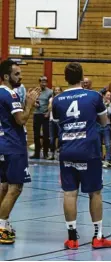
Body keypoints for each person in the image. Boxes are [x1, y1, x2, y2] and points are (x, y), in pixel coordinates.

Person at [52, 62, 111, 249]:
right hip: (89, 150)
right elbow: (104, 122)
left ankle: (72, 238)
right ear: (82, 77)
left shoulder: (57, 99)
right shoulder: (94, 96)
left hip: (68, 149)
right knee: (94, 192)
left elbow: (57, 123)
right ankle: (98, 236)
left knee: (70, 193)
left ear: (65, 78)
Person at [0, 59, 40, 243]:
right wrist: (29, 103)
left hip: (2, 144)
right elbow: (21, 120)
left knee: (4, 186)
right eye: (17, 74)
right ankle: (1, 227)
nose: (21, 76)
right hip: (13, 146)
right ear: (6, 76)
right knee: (16, 188)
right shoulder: (10, 95)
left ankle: (3, 223)